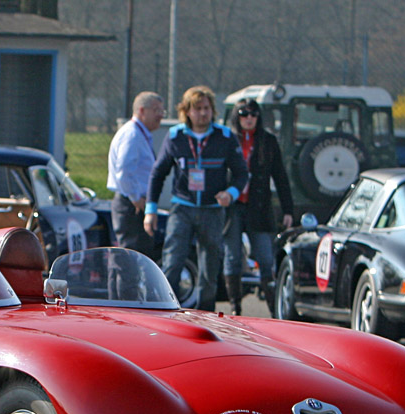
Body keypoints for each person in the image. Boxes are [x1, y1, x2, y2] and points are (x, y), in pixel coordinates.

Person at [144, 86, 248, 311]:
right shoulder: (175, 137)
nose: (203, 113)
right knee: (173, 261)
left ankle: (205, 314)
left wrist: (230, 194)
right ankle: (165, 311)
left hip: (212, 210)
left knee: (209, 268)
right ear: (187, 111)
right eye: (198, 109)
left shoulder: (225, 137)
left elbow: (242, 174)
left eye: (207, 108)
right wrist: (150, 210)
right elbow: (157, 173)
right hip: (182, 208)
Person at [223, 98, 294, 315]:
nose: (249, 118)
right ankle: (235, 307)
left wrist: (288, 209)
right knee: (233, 257)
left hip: (259, 206)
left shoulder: (267, 141)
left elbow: (280, 176)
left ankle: (274, 308)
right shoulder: (227, 138)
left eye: (253, 114)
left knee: (264, 256)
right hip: (232, 206)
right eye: (244, 114)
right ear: (237, 116)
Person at [107, 91, 165, 260]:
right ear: (141, 110)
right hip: (131, 205)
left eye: (162, 111)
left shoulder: (140, 134)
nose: (160, 115)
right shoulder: (132, 135)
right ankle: (124, 288)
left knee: (136, 256)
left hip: (136, 202)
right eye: (156, 110)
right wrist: (135, 198)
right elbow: (124, 170)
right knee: (129, 257)